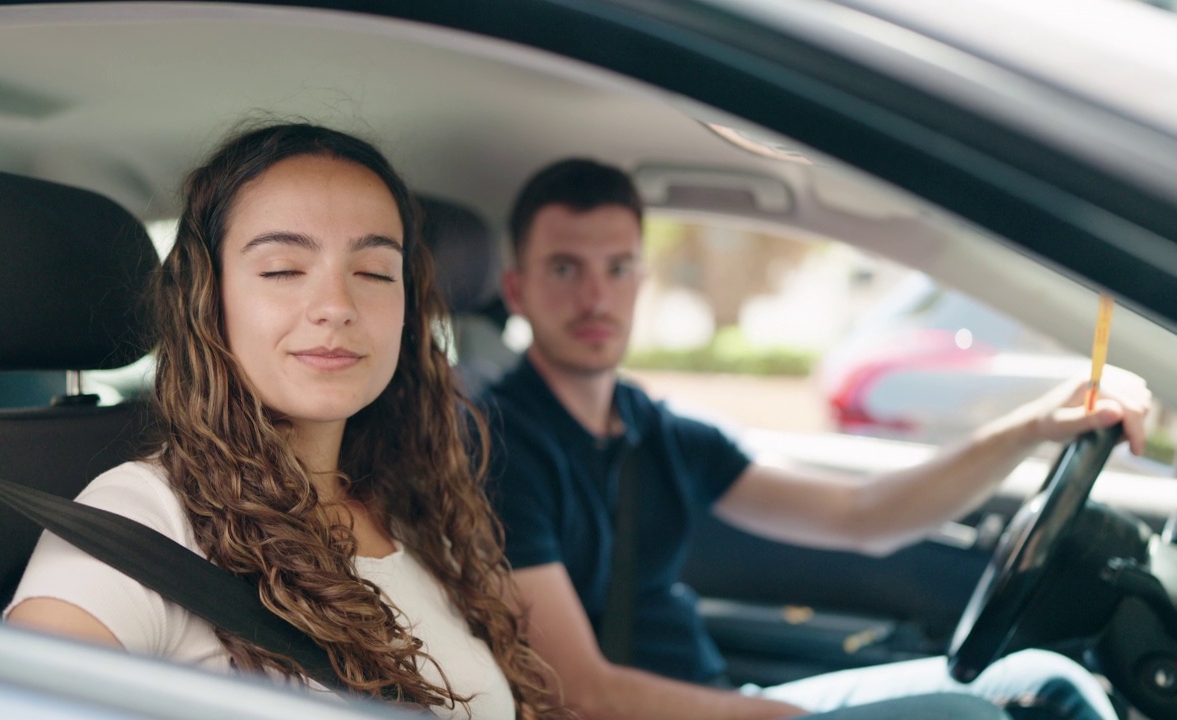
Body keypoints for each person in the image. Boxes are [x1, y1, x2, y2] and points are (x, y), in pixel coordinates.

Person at [481, 158, 1153, 720]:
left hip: (723, 700)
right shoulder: (499, 447)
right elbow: (580, 690)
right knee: (968, 715)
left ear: (640, 281)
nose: (597, 298)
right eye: (566, 270)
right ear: (517, 289)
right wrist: (794, 719)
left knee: (1043, 684)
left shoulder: (655, 429)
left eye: (619, 268)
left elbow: (863, 516)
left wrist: (1031, 427)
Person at [5, 122, 562, 720]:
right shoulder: (142, 521)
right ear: (207, 301)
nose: (337, 307)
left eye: (374, 272)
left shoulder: (420, 510)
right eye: (281, 269)